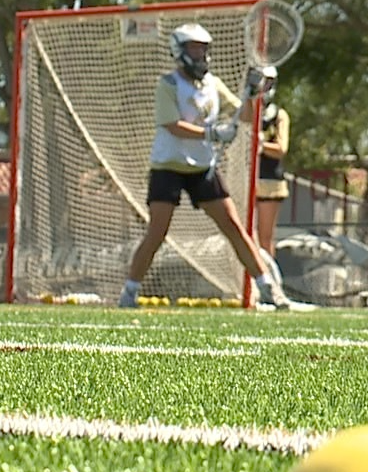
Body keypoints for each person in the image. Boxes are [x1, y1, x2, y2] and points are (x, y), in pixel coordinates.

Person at [118, 23, 290, 311]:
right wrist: (212, 134)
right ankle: (129, 292)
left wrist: (251, 92)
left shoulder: (213, 84)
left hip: (202, 168)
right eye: (194, 49)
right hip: (169, 166)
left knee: (234, 227)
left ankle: (268, 289)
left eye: (203, 49)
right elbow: (173, 125)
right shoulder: (168, 84)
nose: (200, 55)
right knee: (157, 232)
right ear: (180, 51)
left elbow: (246, 116)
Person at [255, 67, 290, 259]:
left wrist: (260, 145)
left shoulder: (278, 115)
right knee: (245, 234)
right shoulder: (247, 112)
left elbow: (281, 149)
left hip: (270, 183)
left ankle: (268, 280)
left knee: (265, 238)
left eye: (267, 82)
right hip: (246, 179)